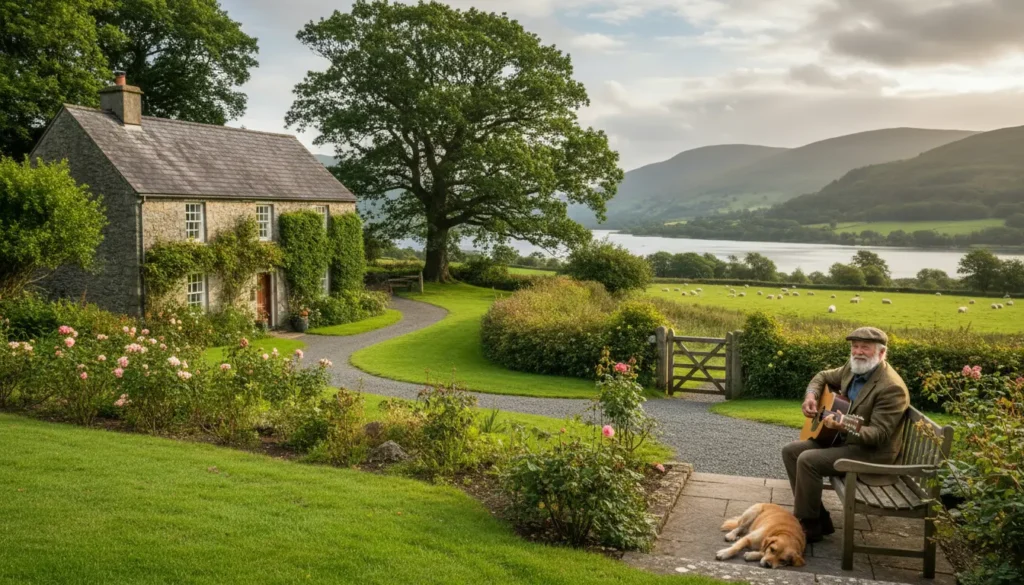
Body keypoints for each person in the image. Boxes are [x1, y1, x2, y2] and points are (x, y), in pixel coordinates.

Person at [782, 326, 910, 542]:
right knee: (790, 451)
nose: (858, 352)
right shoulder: (852, 368)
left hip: (870, 454)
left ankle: (809, 525)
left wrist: (844, 424)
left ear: (881, 353)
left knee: (808, 460)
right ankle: (819, 519)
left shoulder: (891, 388)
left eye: (865, 348)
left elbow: (878, 435)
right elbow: (822, 376)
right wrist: (811, 396)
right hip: (841, 441)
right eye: (855, 347)